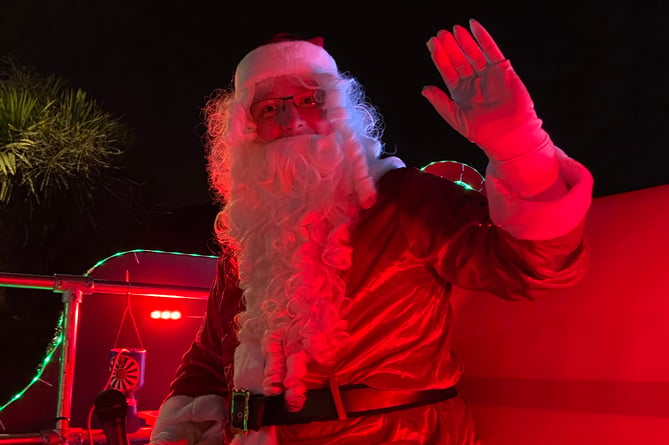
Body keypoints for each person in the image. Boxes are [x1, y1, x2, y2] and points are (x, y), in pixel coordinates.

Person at [149, 19, 593, 445]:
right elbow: (209, 357)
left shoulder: (404, 200)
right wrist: (181, 429)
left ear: (341, 113)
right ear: (246, 133)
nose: (291, 121)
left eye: (309, 100)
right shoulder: (246, 237)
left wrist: (521, 150)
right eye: (269, 108)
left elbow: (538, 267)